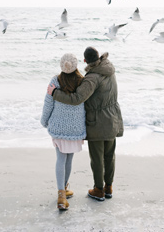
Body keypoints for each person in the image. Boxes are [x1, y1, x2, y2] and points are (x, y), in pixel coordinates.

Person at [48, 46, 123, 202]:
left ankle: (98, 190)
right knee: (110, 156)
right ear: (98, 56)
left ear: (84, 61)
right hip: (113, 118)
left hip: (97, 122)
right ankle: (109, 187)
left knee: (97, 158)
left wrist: (55, 93)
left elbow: (76, 99)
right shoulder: (109, 69)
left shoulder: (91, 78)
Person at [40, 53, 86, 211]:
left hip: (59, 127)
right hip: (75, 128)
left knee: (60, 158)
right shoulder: (82, 81)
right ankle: (64, 189)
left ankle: (61, 194)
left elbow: (48, 102)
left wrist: (44, 120)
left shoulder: (55, 81)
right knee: (69, 159)